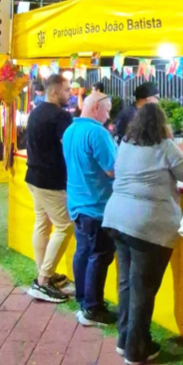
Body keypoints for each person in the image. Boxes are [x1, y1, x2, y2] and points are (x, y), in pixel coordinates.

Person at [103, 104, 183, 365]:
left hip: (117, 219)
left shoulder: (126, 144)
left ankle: (124, 339)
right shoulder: (165, 147)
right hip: (148, 226)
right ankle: (137, 349)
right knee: (143, 289)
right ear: (162, 124)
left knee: (126, 283)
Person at [63, 91, 117, 327]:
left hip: (77, 203)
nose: (109, 115)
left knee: (83, 252)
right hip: (97, 205)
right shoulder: (97, 132)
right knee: (99, 256)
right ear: (96, 107)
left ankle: (84, 300)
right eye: (107, 109)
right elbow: (113, 170)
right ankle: (93, 308)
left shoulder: (70, 130)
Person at [25, 74, 75, 303]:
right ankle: (44, 280)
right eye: (66, 90)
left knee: (42, 224)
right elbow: (70, 146)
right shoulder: (60, 116)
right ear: (54, 91)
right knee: (64, 226)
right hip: (50, 180)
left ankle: (44, 273)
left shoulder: (35, 111)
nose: (70, 94)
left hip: (34, 176)